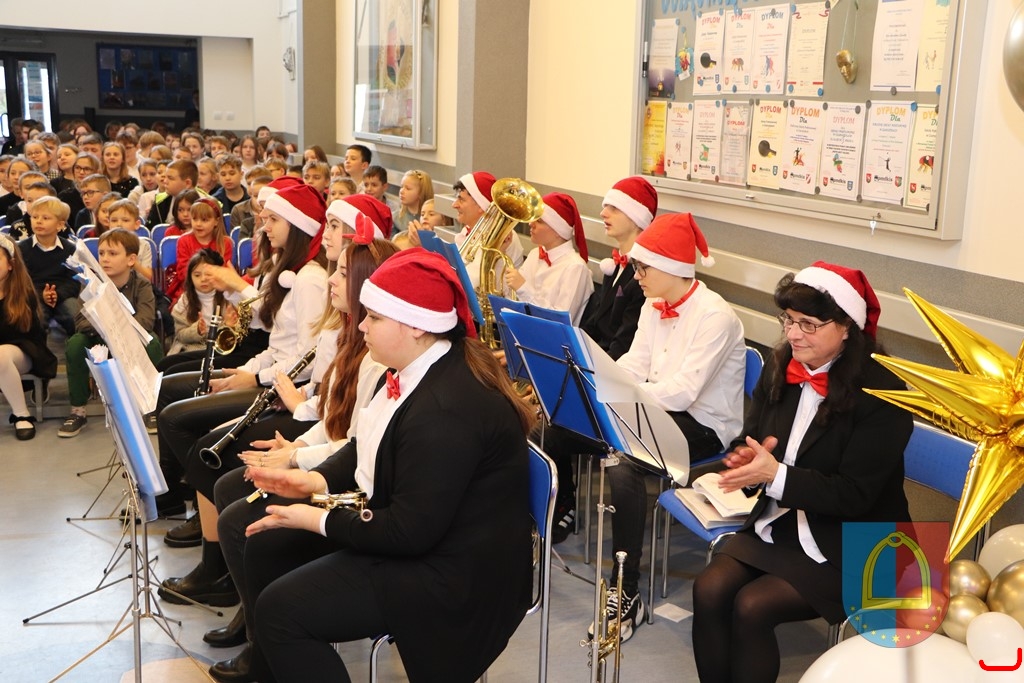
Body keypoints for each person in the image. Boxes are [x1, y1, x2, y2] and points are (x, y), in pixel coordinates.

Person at [208, 247, 534, 683]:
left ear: (416, 325)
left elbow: (408, 533)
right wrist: (313, 480)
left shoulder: (446, 410)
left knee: (282, 612)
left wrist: (315, 518)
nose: (361, 325)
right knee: (269, 547)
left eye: (375, 318)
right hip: (424, 539)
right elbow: (365, 444)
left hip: (454, 573)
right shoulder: (409, 368)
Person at [692, 262, 913, 683]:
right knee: (710, 588)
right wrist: (744, 457)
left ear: (846, 328)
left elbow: (855, 495)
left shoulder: (884, 391)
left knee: (752, 606)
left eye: (808, 324)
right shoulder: (782, 365)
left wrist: (774, 475)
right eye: (789, 320)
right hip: (784, 524)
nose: (793, 334)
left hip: (859, 542)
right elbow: (752, 436)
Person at [586, 212, 747, 643]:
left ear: (672, 268)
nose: (635, 275)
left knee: (623, 462)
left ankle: (627, 591)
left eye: (643, 268)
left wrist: (621, 397)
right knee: (571, 427)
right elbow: (633, 364)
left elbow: (682, 393)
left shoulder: (715, 316)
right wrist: (606, 388)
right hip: (657, 409)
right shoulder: (653, 304)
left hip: (706, 426)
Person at [151, 183, 328, 521]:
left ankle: (203, 507)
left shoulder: (309, 279)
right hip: (270, 374)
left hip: (283, 387)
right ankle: (197, 501)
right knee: (174, 400)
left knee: (177, 418)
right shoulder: (289, 270)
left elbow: (308, 359)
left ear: (296, 226)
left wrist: (255, 377)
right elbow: (276, 338)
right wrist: (248, 370)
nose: (264, 225)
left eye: (273, 219)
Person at [58, 230, 164, 437]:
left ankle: (152, 407)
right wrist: (108, 327)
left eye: (113, 253)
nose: (105, 258)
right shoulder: (90, 284)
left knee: (153, 343)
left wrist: (118, 327)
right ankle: (78, 410)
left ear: (131, 259)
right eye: (101, 253)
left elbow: (145, 321)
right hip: (98, 336)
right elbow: (81, 321)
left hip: (131, 338)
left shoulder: (142, 284)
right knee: (76, 343)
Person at [581, 176, 659, 359]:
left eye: (614, 208)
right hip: (598, 357)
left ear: (636, 218)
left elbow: (624, 345)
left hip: (614, 364)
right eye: (605, 206)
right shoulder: (613, 265)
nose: (603, 213)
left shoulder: (644, 276)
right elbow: (595, 323)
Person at [504, 191, 593, 324]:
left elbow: (560, 320)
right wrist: (502, 253)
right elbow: (510, 297)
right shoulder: (535, 254)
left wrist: (523, 288)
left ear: (558, 230)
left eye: (539, 221)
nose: (531, 223)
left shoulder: (575, 267)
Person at [0, 233, 57, 440]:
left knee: (0, 355)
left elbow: (24, 333)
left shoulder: (23, 293)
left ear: (10, 265)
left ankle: (21, 414)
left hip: (24, 350)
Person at [19, 197, 81, 337]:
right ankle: (38, 349)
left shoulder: (70, 249)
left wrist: (57, 295)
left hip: (62, 295)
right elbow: (21, 280)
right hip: (33, 296)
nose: (39, 221)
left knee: (74, 315)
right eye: (35, 217)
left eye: (45, 218)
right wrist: (41, 295)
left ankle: (74, 347)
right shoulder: (22, 249)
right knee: (36, 318)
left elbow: (74, 280)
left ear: (60, 225)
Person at [452, 170, 525, 290]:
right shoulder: (467, 231)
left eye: (461, 200)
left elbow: (470, 282)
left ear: (481, 206)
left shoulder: (502, 236)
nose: (454, 205)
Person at [167, 197, 233, 304]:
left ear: (216, 221)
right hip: (190, 290)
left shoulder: (225, 242)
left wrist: (208, 282)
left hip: (217, 291)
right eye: (194, 219)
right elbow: (182, 272)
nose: (198, 224)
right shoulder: (184, 240)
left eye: (204, 220)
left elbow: (224, 271)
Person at [167, 249, 230, 355]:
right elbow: (180, 335)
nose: (203, 279)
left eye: (208, 274)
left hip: (219, 349)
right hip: (191, 348)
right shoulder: (185, 300)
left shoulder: (227, 298)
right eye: (197, 275)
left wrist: (227, 325)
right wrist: (197, 330)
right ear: (190, 278)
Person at [392, 169, 433, 235]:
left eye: (408, 188)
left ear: (421, 192)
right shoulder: (395, 218)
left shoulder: (430, 219)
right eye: (401, 187)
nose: (401, 191)